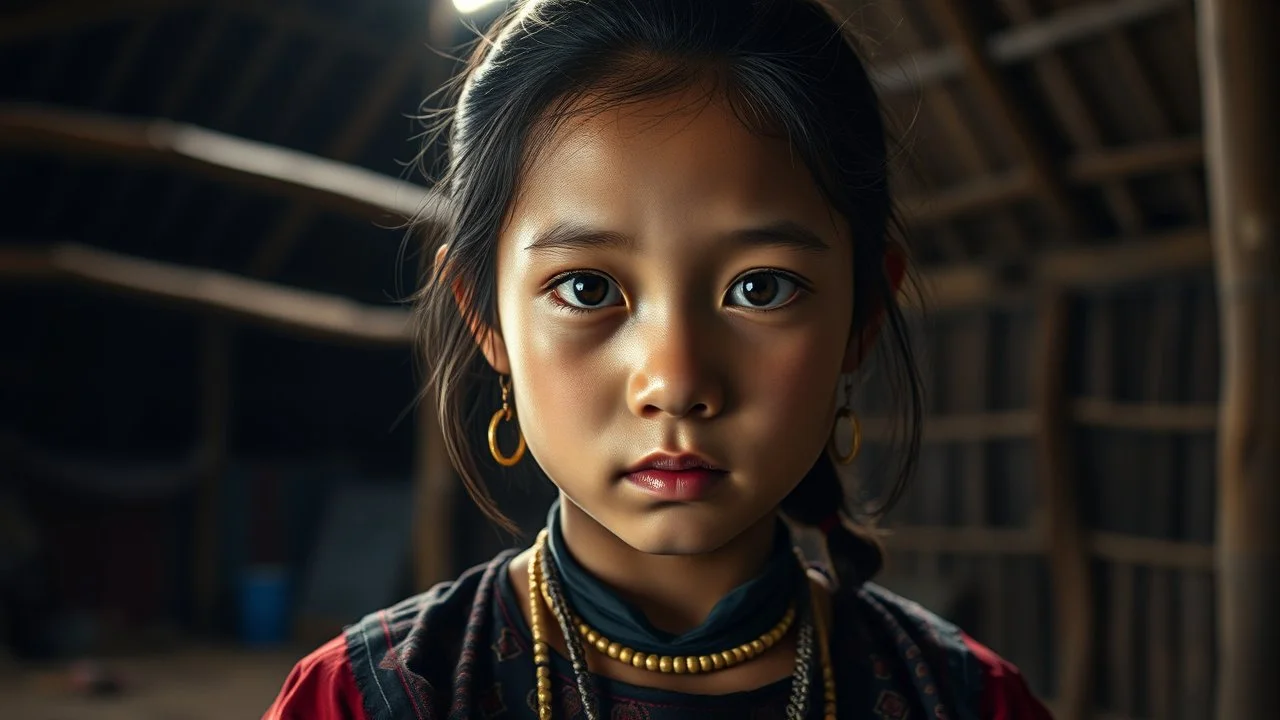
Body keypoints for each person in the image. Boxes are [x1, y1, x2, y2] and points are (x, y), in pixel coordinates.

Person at [265, 0, 1053, 717]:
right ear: (487, 318)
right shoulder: (360, 702)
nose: (674, 382)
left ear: (861, 318)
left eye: (761, 287)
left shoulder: (966, 703)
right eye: (585, 286)